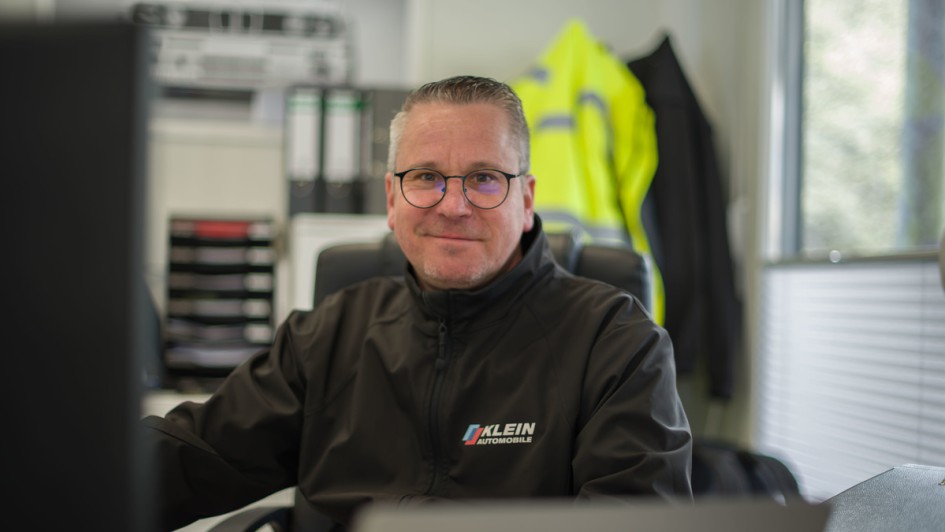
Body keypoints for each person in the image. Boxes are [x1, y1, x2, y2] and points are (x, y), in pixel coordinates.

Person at [143, 75, 692, 531]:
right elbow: (192, 456)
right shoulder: (328, 335)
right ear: (391, 198)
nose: (453, 205)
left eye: (484, 179)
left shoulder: (616, 345)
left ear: (525, 200)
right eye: (426, 177)